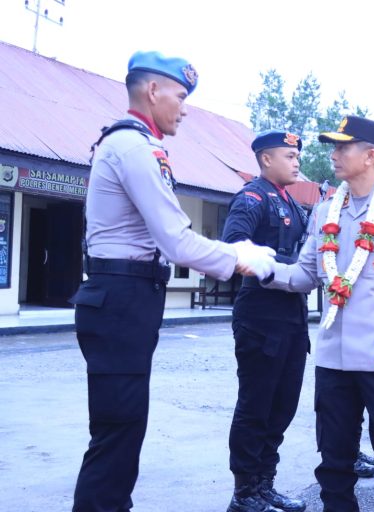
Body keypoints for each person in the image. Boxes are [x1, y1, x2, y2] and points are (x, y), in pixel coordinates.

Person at [69, 51, 274, 512]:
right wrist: (239, 256)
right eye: (180, 96)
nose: (184, 108)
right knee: (117, 431)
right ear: (153, 90)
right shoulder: (134, 147)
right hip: (121, 299)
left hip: (126, 298)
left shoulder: (130, 144)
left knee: (122, 427)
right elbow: (177, 241)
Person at [264, 115, 374, 512]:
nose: (334, 154)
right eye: (333, 146)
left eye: (343, 147)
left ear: (370, 155)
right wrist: (257, 266)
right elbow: (304, 274)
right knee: (334, 461)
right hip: (334, 358)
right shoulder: (327, 207)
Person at [222, 130, 310, 512]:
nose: (296, 162)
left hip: (292, 315)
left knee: (282, 406)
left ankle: (265, 482)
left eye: (297, 156)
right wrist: (289, 268)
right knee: (256, 405)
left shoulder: (291, 202)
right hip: (261, 315)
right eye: (289, 156)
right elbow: (236, 245)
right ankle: (244, 492)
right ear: (266, 160)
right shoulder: (253, 196)